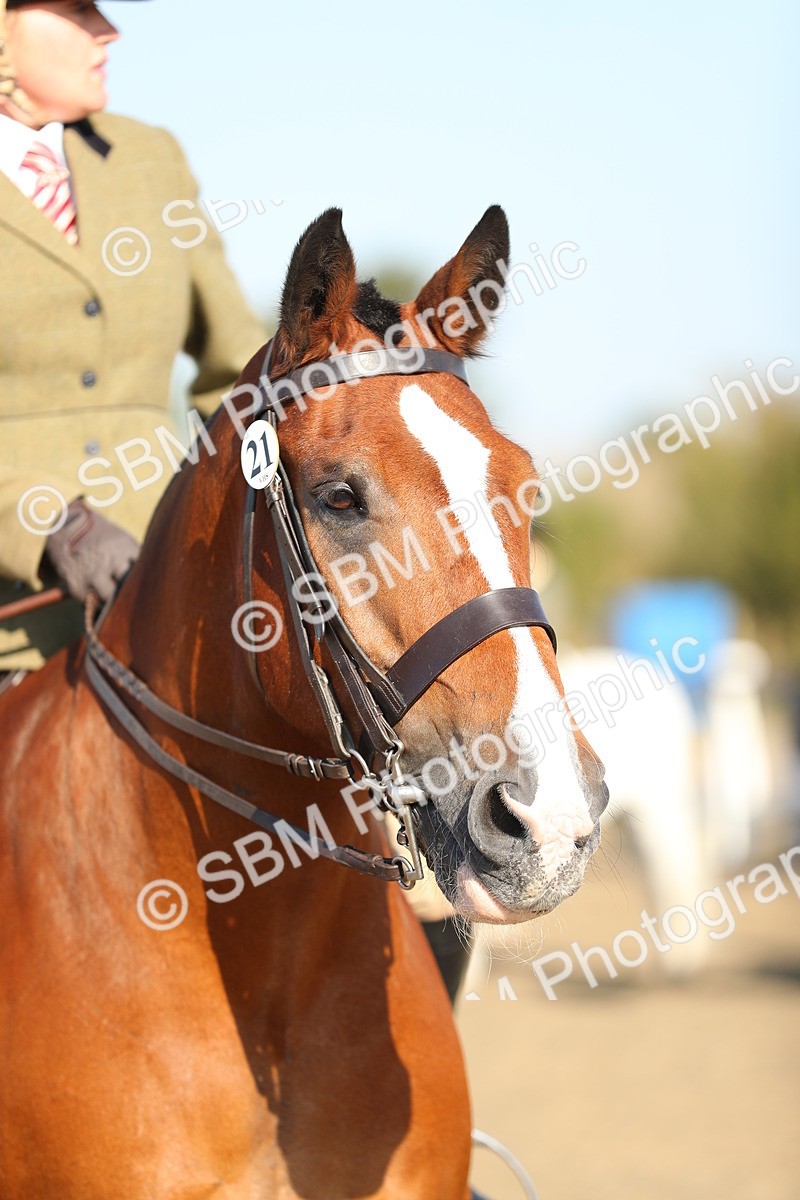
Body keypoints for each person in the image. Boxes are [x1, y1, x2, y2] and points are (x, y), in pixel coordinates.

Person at [0, 0, 266, 677]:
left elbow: (238, 370)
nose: (108, 31)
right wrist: (46, 522)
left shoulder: (153, 159)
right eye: (77, 10)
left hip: (165, 613)